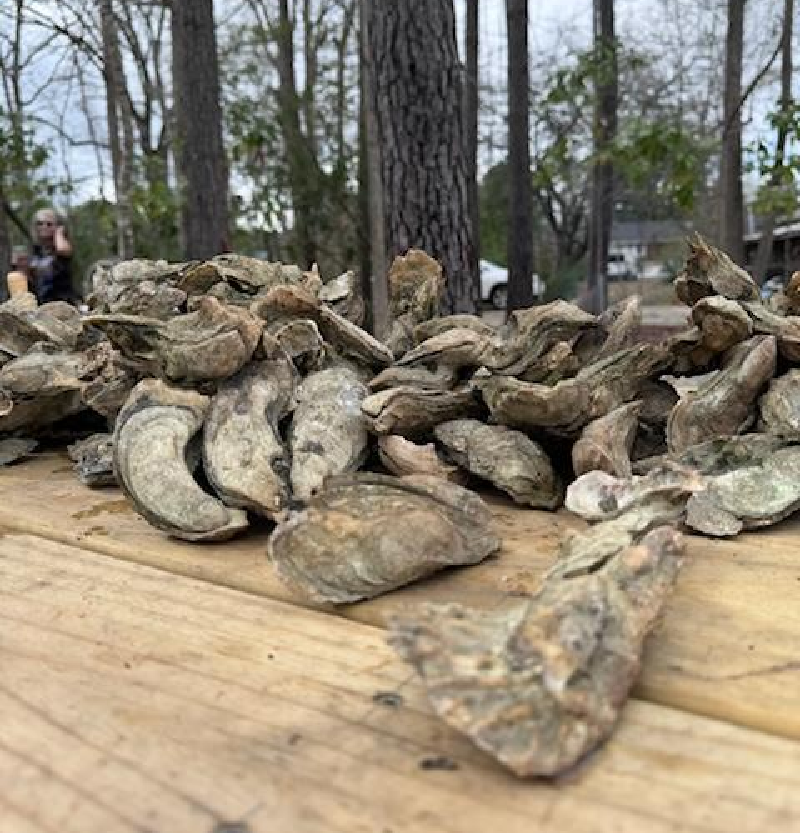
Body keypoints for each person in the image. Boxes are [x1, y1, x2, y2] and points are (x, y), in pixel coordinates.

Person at [5, 207, 78, 304]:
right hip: (41, 304)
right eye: (40, 223)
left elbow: (62, 249)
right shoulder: (35, 251)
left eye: (49, 224)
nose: (44, 227)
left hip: (62, 303)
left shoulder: (62, 247)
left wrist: (59, 232)